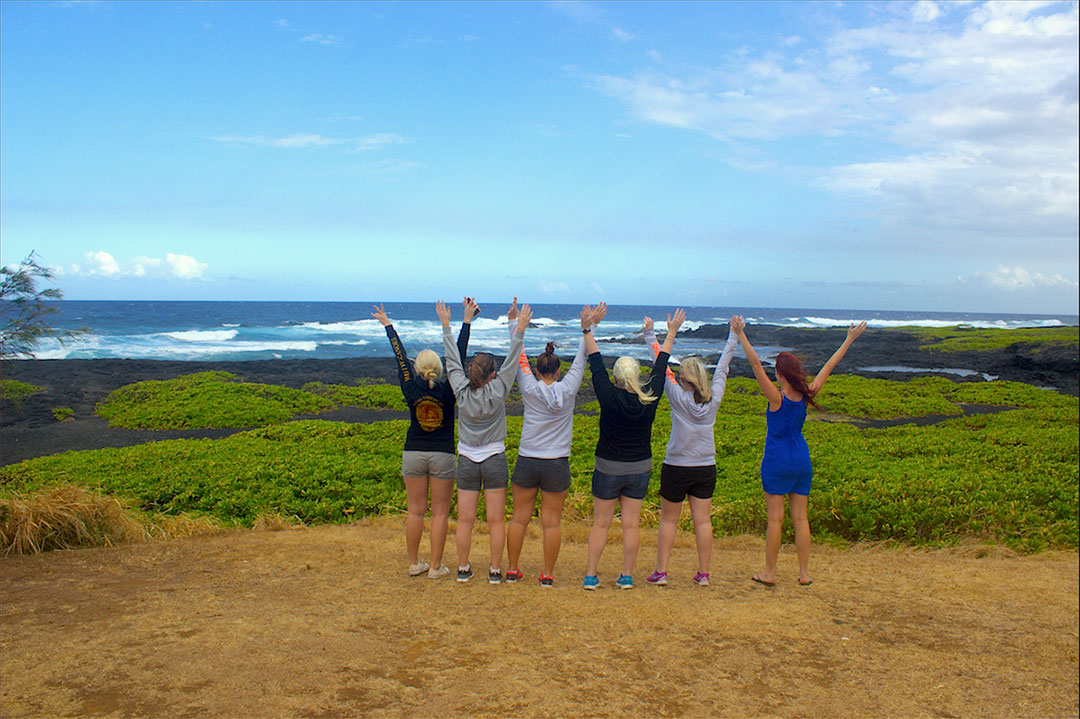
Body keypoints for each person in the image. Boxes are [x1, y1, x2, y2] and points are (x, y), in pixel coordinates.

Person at [731, 315, 866, 587]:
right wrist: (849, 339)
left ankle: (769, 573)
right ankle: (804, 574)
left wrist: (740, 334)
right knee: (801, 518)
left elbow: (756, 364)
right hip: (801, 459)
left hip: (777, 460)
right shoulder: (806, 394)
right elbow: (829, 365)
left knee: (775, 519)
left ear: (780, 374)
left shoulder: (776, 397)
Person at [582, 306, 686, 590]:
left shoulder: (607, 394)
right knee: (631, 525)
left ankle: (591, 575)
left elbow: (594, 359)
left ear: (615, 377)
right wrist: (671, 331)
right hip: (639, 467)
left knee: (601, 524)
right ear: (638, 375)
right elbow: (662, 364)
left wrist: (587, 328)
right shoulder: (649, 395)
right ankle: (626, 575)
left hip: (608, 466)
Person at [371, 300, 476, 579]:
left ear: (416, 368)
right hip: (442, 454)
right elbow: (458, 357)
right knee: (440, 513)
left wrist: (388, 325)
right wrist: (463, 322)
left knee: (415, 512)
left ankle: (414, 563)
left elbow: (399, 356)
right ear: (441, 369)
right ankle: (436, 566)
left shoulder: (409, 384)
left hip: (413, 452)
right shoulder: (450, 387)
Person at [504, 299, 603, 588]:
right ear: (558, 371)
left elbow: (517, 356)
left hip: (527, 459)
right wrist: (589, 326)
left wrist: (515, 324)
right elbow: (583, 356)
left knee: (520, 519)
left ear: (537, 370)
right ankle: (547, 574)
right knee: (551, 523)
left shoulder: (529, 386)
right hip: (557, 462)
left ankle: (512, 569)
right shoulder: (569, 388)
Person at [641, 315, 739, 588]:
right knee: (702, 521)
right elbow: (723, 367)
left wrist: (651, 334)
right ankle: (704, 573)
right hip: (705, 466)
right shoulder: (714, 396)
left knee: (669, 521)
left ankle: (661, 571)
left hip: (676, 466)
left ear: (683, 378)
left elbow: (661, 367)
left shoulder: (676, 395)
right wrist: (734, 335)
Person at [439, 298, 531, 584]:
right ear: (493, 374)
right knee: (496, 520)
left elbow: (452, 359)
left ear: (471, 372)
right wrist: (519, 328)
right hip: (494, 459)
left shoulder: (461, 391)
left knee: (465, 519)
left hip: (466, 459)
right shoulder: (499, 389)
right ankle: (494, 570)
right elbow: (513, 359)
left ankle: (464, 568)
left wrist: (448, 324)